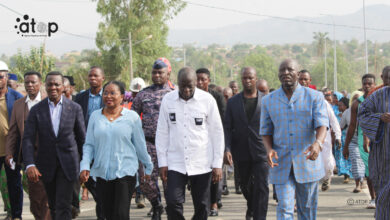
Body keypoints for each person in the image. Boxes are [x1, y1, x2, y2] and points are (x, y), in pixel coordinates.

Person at [260, 59, 329, 220]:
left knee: (307, 210)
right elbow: (265, 131)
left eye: (290, 70)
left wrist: (317, 144)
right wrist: (269, 149)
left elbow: (322, 125)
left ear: (298, 74)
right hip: (281, 163)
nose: (285, 73)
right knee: (284, 208)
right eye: (282, 70)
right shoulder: (268, 101)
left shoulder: (314, 97)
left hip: (307, 161)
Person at [156, 67, 224, 220]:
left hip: (202, 162)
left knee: (202, 206)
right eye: (183, 85)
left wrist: (217, 164)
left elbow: (217, 133)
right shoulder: (168, 100)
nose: (186, 90)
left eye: (190, 86)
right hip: (175, 162)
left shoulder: (207, 101)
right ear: (177, 83)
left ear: (196, 83)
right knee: (173, 203)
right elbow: (162, 133)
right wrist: (162, 162)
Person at [79, 80, 153, 220]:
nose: (108, 96)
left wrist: (148, 167)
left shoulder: (132, 117)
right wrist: (85, 165)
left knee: (120, 214)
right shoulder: (95, 116)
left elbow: (140, 145)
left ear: (122, 97)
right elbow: (89, 144)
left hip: (125, 172)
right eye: (106, 93)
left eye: (113, 93)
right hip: (102, 173)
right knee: (106, 214)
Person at [22, 71, 86, 220]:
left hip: (69, 165)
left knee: (63, 205)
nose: (53, 87)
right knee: (53, 206)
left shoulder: (74, 108)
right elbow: (28, 139)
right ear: (45, 86)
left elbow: (82, 139)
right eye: (50, 84)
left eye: (56, 84)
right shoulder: (37, 110)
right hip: (46, 166)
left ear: (63, 87)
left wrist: (85, 164)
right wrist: (30, 163)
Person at [131, 57, 175, 219]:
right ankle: (156, 205)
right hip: (148, 143)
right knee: (145, 180)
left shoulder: (175, 93)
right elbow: (132, 118)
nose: (156, 75)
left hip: (170, 145)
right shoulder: (143, 94)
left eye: (160, 72)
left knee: (170, 181)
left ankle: (172, 209)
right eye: (154, 72)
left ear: (168, 73)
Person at [5, 71, 51, 220]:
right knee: (35, 199)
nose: (30, 85)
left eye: (33, 82)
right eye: (27, 83)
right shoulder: (19, 105)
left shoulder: (49, 101)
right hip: (29, 156)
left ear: (40, 84)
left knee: (46, 197)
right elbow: (13, 132)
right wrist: (9, 152)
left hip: (48, 156)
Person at [224, 67, 268, 220]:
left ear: (256, 78)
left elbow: (273, 126)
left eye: (250, 77)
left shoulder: (266, 100)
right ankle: (251, 206)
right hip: (240, 151)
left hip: (261, 151)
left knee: (262, 187)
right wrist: (227, 148)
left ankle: (259, 216)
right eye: (244, 78)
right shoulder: (232, 102)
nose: (247, 81)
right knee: (245, 186)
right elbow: (227, 128)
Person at [74, 66, 105, 220]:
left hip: (104, 147)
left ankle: (103, 213)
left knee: (103, 184)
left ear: (102, 78)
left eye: (96, 76)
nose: (92, 78)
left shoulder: (109, 96)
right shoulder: (80, 98)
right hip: (85, 146)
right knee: (91, 181)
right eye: (90, 76)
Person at [196, 68, 226, 216]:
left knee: (215, 173)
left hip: (214, 141)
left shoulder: (217, 97)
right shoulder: (190, 97)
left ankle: (214, 203)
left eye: (203, 79)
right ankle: (203, 205)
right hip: (197, 143)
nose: (200, 82)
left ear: (209, 80)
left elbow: (222, 122)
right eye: (197, 79)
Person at [358, 85, 390, 219]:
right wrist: (379, 118)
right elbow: (362, 115)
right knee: (384, 196)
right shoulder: (378, 95)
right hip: (383, 155)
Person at [343, 74, 376, 200]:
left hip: (380, 139)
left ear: (374, 84)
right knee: (369, 172)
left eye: (370, 84)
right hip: (363, 142)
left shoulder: (381, 100)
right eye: (365, 84)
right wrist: (346, 146)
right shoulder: (357, 104)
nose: (367, 86)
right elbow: (352, 126)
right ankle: (373, 199)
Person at [0, 61, 24, 220]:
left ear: (6, 77)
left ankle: (16, 215)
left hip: (10, 150)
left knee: (14, 184)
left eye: (0, 76)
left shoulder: (16, 97)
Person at [320, 90, 341, 191]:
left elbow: (333, 120)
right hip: (306, 136)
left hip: (324, 134)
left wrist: (338, 136)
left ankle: (327, 178)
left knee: (326, 158)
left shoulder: (323, 103)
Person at [337, 97, 353, 183]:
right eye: (338, 105)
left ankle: (351, 174)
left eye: (341, 105)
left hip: (349, 138)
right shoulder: (338, 115)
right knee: (343, 157)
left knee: (350, 157)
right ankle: (346, 175)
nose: (339, 107)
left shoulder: (349, 113)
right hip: (341, 139)